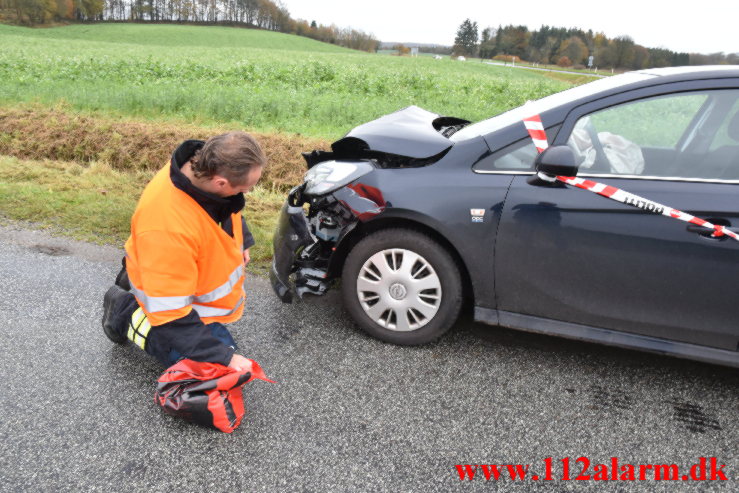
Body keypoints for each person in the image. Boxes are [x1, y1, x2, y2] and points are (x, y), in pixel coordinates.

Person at [102, 132, 266, 372]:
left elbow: (226, 206)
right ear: (220, 182)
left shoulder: (196, 167)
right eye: (246, 188)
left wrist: (244, 240)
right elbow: (171, 316)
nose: (247, 192)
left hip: (176, 272)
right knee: (214, 368)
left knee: (220, 358)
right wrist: (224, 358)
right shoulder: (167, 228)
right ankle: (124, 311)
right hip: (166, 292)